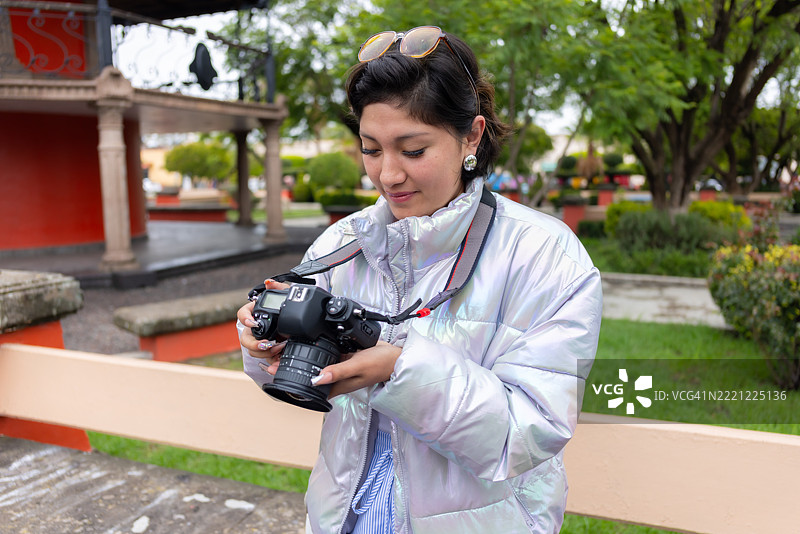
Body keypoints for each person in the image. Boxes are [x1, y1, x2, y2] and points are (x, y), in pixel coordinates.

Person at [237, 25, 602, 534]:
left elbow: (531, 432)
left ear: (471, 135)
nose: (387, 175)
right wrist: (263, 343)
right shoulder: (343, 243)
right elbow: (295, 378)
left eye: (412, 151)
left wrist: (400, 369)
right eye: (370, 148)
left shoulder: (544, 254)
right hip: (345, 517)